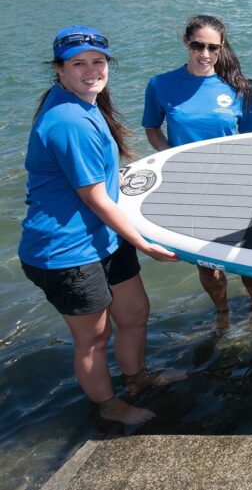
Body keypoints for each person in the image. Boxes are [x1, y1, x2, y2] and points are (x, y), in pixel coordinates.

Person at [20, 27, 181, 425]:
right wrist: (144, 242)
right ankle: (108, 407)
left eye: (98, 61)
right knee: (93, 338)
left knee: (134, 313)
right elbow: (94, 197)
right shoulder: (67, 121)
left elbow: (102, 184)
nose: (91, 70)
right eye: (78, 63)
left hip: (103, 236)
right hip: (65, 252)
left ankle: (137, 379)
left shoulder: (86, 103)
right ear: (59, 70)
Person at [142, 15, 252, 332]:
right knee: (207, 263)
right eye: (198, 45)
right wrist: (171, 156)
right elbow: (151, 127)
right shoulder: (161, 85)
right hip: (190, 190)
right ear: (187, 43)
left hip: (236, 186)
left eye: (213, 47)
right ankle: (223, 313)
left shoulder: (239, 88)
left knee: (247, 257)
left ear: (221, 47)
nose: (205, 54)